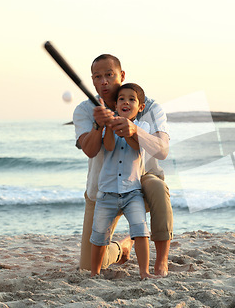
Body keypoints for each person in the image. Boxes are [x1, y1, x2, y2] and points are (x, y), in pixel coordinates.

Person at [73, 54, 173, 277]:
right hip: (102, 187)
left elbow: (162, 151)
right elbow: (90, 150)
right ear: (92, 81)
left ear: (122, 75)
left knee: (157, 187)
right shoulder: (84, 110)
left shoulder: (149, 106)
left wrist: (136, 131)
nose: (104, 82)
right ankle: (122, 247)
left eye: (109, 75)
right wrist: (98, 126)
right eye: (98, 77)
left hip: (140, 181)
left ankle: (161, 263)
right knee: (88, 267)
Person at [91, 83, 152, 279]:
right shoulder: (109, 125)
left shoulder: (143, 127)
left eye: (131, 99)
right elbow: (108, 147)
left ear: (140, 107)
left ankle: (144, 272)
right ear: (116, 105)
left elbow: (136, 146)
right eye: (121, 99)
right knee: (99, 234)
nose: (126, 102)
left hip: (132, 191)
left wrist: (128, 129)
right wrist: (108, 126)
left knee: (140, 229)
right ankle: (95, 273)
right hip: (107, 191)